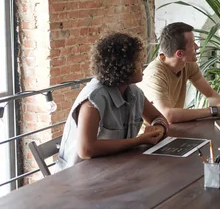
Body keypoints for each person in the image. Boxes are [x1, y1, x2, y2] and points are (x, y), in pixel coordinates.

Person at [56, 33, 169, 171]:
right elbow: (86, 150)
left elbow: (158, 118)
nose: (142, 65)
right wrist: (139, 141)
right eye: (137, 61)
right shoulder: (94, 98)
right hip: (80, 177)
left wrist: (159, 128)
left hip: (115, 169)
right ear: (124, 66)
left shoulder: (133, 92)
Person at [138, 22, 220, 123]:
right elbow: (167, 115)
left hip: (176, 129)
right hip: (153, 135)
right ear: (180, 53)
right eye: (193, 43)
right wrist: (214, 110)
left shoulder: (187, 64)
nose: (197, 47)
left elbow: (210, 94)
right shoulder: (155, 75)